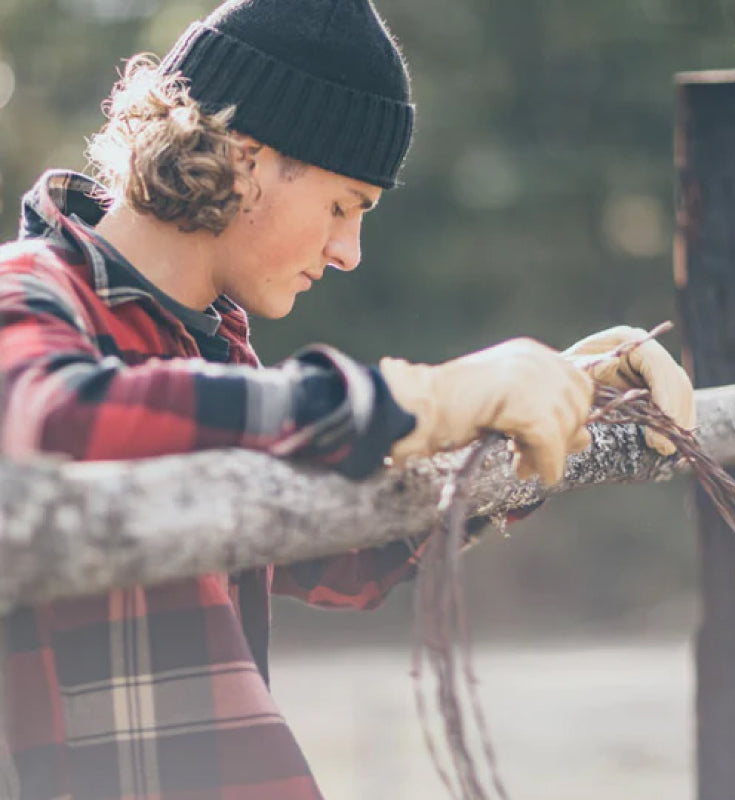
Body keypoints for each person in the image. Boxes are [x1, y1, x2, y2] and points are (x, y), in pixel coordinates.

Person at [0, 0, 695, 797]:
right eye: (343, 207)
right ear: (245, 157)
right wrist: (417, 399)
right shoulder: (26, 289)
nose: (348, 251)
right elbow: (55, 423)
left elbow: (339, 557)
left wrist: (562, 404)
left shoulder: (209, 348)